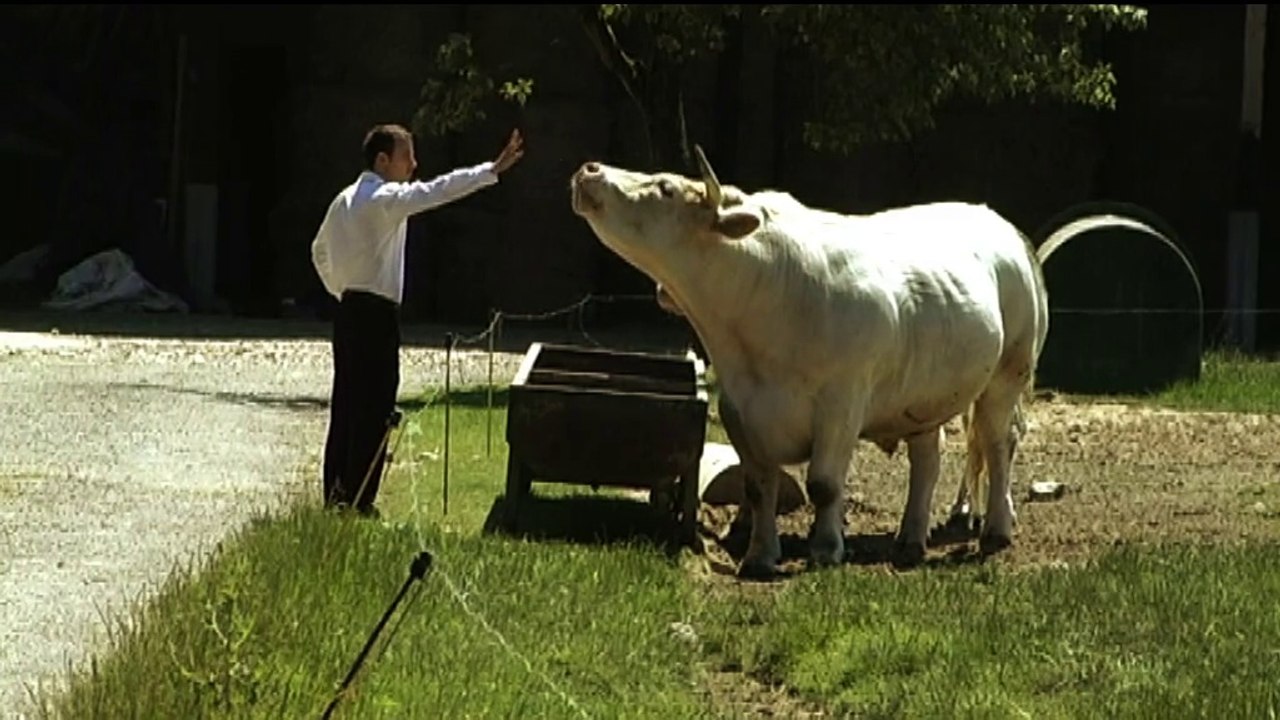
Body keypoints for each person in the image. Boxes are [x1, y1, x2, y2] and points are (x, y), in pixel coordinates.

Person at [311, 124, 525, 516]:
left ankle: (336, 493)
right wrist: (489, 170)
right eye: (406, 156)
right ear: (383, 160)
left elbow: (319, 251)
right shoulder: (384, 198)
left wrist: (340, 288)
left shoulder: (343, 200)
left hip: (347, 311)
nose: (414, 165)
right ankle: (359, 499)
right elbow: (436, 190)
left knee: (346, 402)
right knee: (375, 405)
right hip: (375, 313)